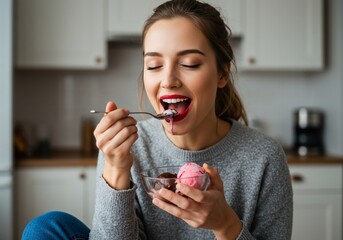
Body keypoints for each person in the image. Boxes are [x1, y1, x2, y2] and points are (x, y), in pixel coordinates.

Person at [22, 0, 293, 239]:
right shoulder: (127, 148)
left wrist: (225, 225)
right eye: (153, 66)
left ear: (222, 73)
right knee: (45, 228)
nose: (168, 80)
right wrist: (116, 170)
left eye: (189, 63)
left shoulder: (264, 157)